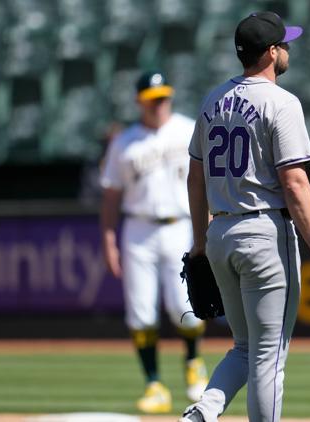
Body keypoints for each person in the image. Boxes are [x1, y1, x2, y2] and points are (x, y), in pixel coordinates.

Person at [180, 12, 310, 422]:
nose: (287, 49)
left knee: (245, 347)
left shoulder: (211, 99)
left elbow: (195, 178)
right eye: (283, 44)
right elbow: (296, 183)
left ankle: (202, 413)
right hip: (263, 231)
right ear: (271, 52)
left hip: (221, 233)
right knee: (268, 356)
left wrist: (201, 241)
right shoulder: (281, 103)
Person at [99, 71, 209, 414]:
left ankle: (193, 362)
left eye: (164, 97)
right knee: (141, 310)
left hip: (180, 226)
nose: (159, 103)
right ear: (140, 101)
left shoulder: (188, 128)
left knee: (185, 305)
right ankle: (153, 384)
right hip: (138, 229)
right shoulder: (125, 142)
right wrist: (108, 240)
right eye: (152, 98)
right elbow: (111, 196)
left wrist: (207, 227)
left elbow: (206, 182)